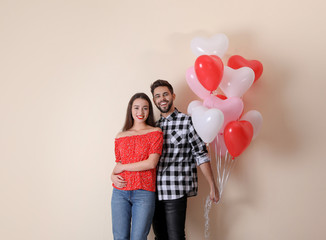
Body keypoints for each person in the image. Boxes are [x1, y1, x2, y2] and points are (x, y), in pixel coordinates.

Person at [150, 79, 219, 240]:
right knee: (160, 236)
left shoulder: (188, 121)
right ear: (154, 100)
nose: (162, 99)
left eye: (165, 94)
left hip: (175, 189)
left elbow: (201, 154)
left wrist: (212, 185)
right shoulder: (153, 127)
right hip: (154, 192)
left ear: (173, 95)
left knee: (176, 237)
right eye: (158, 96)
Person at [111, 92, 163, 240]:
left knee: (138, 237)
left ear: (149, 111)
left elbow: (151, 163)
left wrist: (124, 167)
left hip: (143, 192)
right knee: (119, 237)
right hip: (119, 192)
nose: (140, 112)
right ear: (130, 109)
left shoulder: (155, 132)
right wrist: (112, 175)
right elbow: (118, 165)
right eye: (136, 108)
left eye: (145, 108)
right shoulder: (121, 136)